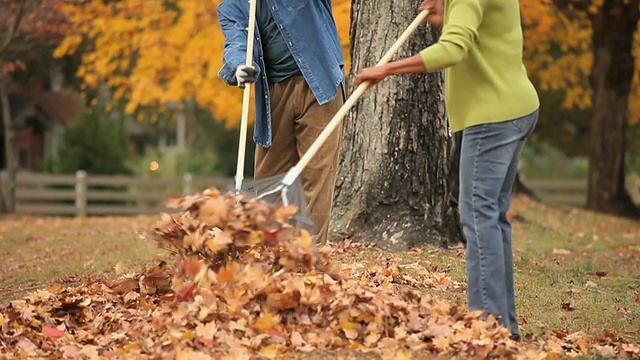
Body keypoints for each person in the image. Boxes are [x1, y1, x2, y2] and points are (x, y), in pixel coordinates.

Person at [353, 0, 539, 341]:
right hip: (514, 108)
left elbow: (454, 50)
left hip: (492, 118)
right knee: (492, 218)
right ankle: (502, 327)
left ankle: (488, 327)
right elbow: (481, 36)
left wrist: (386, 70)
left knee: (478, 218)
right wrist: (446, 13)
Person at [217, 0, 346, 244]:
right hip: (274, 95)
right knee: (268, 180)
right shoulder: (233, 6)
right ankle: (272, 256)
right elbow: (236, 42)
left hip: (319, 85)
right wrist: (240, 66)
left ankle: (308, 256)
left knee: (317, 174)